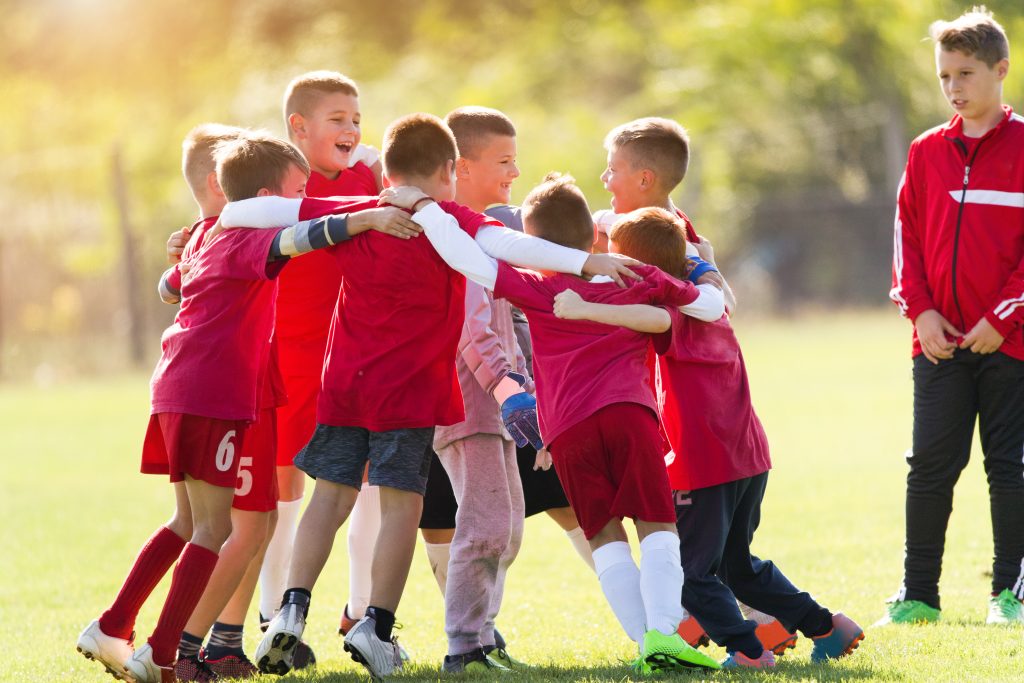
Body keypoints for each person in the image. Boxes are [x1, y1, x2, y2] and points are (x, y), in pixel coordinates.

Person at [220, 113, 640, 680]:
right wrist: (587, 260)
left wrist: (217, 223)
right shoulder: (452, 221)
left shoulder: (360, 213)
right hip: (410, 395)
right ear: (449, 170)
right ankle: (376, 626)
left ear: (388, 171)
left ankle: (291, 608)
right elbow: (510, 245)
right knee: (401, 506)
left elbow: (251, 213)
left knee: (330, 496)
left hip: (345, 387)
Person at [384, 172, 725, 674]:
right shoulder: (636, 279)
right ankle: (664, 635)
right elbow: (712, 307)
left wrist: (425, 207)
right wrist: (701, 264)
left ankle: (647, 643)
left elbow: (463, 258)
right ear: (592, 239)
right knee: (657, 527)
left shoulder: (536, 288)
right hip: (628, 415)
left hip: (566, 434)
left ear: (534, 246)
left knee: (603, 536)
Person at [555, 207, 865, 668]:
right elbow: (701, 286)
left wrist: (585, 307)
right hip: (749, 459)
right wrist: (702, 262)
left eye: (619, 261)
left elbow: (650, 318)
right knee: (738, 567)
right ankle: (827, 627)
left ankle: (748, 650)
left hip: (704, 466)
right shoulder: (710, 303)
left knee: (687, 573)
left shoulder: (670, 313)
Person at [596, 116, 799, 653]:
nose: (604, 180)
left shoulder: (667, 237)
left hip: (694, 415)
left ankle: (750, 629)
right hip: (697, 411)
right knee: (711, 545)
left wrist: (708, 275)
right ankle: (740, 623)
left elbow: (714, 303)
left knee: (699, 545)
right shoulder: (651, 226)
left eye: (612, 170)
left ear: (644, 179)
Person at [886, 6, 1024, 626]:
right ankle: (918, 596)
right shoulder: (925, 152)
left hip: (1012, 344)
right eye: (945, 75)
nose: (953, 87)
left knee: (1010, 469)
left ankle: (1010, 595)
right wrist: (921, 313)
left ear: (1001, 69)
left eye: (965, 73)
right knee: (929, 470)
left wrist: (1002, 317)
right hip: (939, 343)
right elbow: (907, 240)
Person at [158, 123, 283, 682]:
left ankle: (223, 642)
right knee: (241, 525)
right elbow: (172, 286)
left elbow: (171, 285)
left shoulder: (215, 232)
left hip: (258, 386)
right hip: (233, 392)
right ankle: (181, 647)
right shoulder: (222, 233)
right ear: (219, 181)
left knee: (261, 521)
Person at [266, 72, 383, 655]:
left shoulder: (370, 173)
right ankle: (271, 619)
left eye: (356, 119)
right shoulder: (277, 179)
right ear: (299, 126)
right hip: (288, 354)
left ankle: (361, 615)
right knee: (282, 490)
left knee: (368, 484)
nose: (351, 129)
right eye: (337, 119)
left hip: (353, 357)